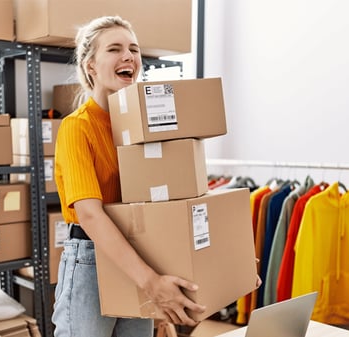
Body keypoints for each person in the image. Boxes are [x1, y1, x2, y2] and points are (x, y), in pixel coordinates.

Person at [51, 16, 206, 337]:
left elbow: (173, 198)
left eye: (134, 49)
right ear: (91, 66)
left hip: (139, 253)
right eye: (115, 49)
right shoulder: (78, 126)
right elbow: (90, 215)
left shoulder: (143, 127)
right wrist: (150, 282)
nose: (129, 56)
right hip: (92, 260)